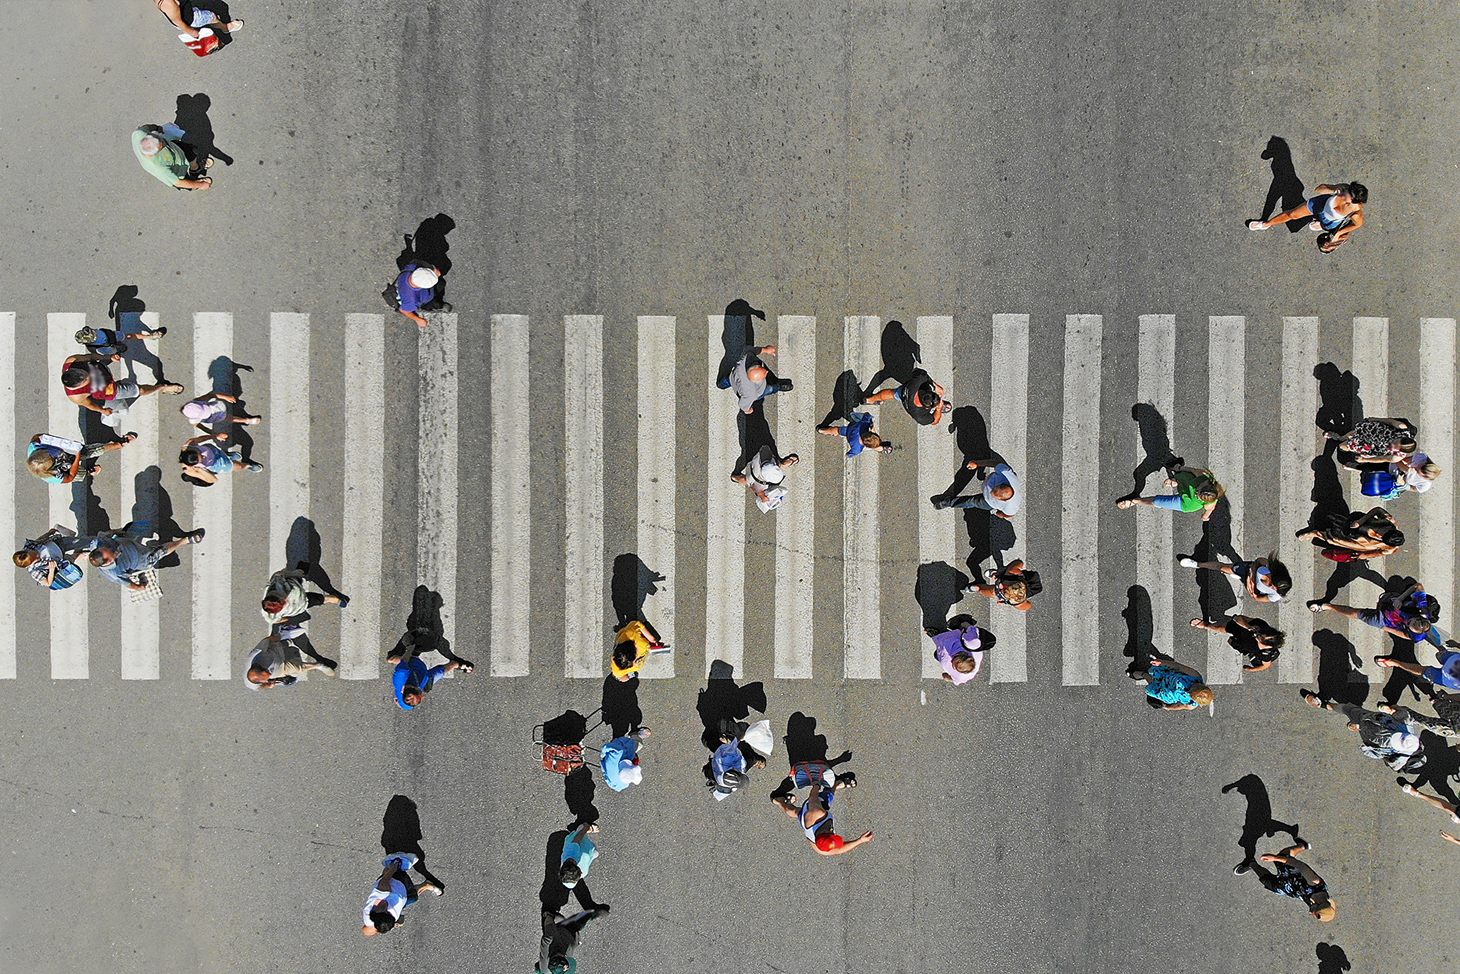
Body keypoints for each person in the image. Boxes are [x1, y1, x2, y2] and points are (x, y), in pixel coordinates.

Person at [1301, 692, 1424, 771]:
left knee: (1349, 710)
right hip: (1373, 721)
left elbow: (1385, 760)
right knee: (1353, 713)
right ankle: (1354, 724)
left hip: (1370, 732)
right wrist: (1390, 710)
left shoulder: (1397, 754)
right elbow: (1401, 713)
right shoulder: (1407, 730)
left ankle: (1323, 705)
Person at [771, 762, 873, 856]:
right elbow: (840, 849)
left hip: (812, 806)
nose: (833, 833)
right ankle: (778, 801)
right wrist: (860, 840)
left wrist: (816, 785)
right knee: (796, 812)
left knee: (827, 795)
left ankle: (836, 784)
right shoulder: (821, 849)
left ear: (824, 832)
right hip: (805, 820)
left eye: (831, 834)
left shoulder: (818, 813)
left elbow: (813, 798)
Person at [61, 351, 182, 424]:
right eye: (87, 380)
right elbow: (90, 405)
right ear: (78, 386)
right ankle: (162, 387)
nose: (91, 376)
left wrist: (108, 357)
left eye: (85, 372)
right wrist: (103, 411)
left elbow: (91, 357)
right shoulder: (76, 396)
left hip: (103, 370)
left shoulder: (72, 361)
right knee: (140, 390)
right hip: (109, 389)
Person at [1247, 181, 1366, 254]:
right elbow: (1318, 189)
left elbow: (1358, 224)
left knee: (1325, 227)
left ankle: (1321, 223)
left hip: (1330, 221)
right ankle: (1266, 224)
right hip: (1321, 204)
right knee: (1292, 214)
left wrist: (1339, 233)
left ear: (1352, 200)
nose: (1346, 190)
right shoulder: (1343, 188)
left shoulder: (1355, 212)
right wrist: (1333, 188)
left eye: (1349, 193)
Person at [1241, 840, 1336, 922]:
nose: (1311, 912)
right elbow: (1300, 865)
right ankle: (1301, 846)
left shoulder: (1317, 902)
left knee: (1267, 882)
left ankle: (1251, 863)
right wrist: (1275, 858)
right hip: (1293, 872)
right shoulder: (1315, 883)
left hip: (1291, 888)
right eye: (1313, 910)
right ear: (1320, 902)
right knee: (1283, 856)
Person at [88, 525, 205, 591]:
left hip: (130, 543)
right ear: (109, 561)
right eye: (110, 552)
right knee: (161, 551)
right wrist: (139, 587)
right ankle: (184, 541)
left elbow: (106, 535)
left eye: (106, 548)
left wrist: (119, 531)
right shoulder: (114, 573)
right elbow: (126, 583)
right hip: (143, 559)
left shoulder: (98, 544)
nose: (111, 548)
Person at [361, 853, 441, 937]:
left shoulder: (381, 894)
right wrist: (385, 925)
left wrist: (393, 867)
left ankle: (394, 863)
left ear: (381, 912)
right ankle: (426, 886)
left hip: (399, 882)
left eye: (388, 913)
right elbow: (369, 931)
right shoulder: (381, 919)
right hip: (401, 898)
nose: (389, 911)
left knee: (390, 873)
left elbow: (385, 879)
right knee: (413, 898)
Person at [1116, 462, 1224, 520]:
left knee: (1158, 501)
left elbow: (1209, 510)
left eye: (1198, 495)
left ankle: (1136, 501)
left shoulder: (1210, 502)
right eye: (1198, 490)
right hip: (1186, 484)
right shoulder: (1203, 477)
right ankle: (1176, 480)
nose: (1196, 493)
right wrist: (1179, 468)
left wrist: (1205, 517)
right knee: (1183, 476)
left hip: (1186, 504)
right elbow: (1192, 470)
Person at [390, 634, 470, 710]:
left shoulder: (401, 678)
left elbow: (404, 660)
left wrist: (411, 647)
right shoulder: (413, 683)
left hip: (414, 663)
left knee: (391, 658)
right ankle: (456, 664)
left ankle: (456, 664)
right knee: (393, 660)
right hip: (420, 670)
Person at [26, 432, 136, 484]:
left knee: (93, 449)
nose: (51, 455)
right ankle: (88, 471)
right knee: (79, 474)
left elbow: (38, 436)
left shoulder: (36, 446)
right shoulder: (53, 477)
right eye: (51, 459)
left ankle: (118, 444)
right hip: (67, 468)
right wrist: (77, 458)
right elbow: (70, 477)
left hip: (68, 451)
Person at [1177, 553, 1291, 603]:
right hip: (1249, 570)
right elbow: (1258, 561)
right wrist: (1251, 576)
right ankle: (1198, 564)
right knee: (1223, 568)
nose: (1270, 587)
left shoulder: (1276, 595)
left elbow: (1259, 598)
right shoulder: (1269, 567)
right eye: (1272, 584)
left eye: (1273, 588)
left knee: (1237, 575)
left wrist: (1252, 591)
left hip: (1249, 583)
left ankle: (1239, 577)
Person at [1296, 508, 1404, 561]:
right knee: (1342, 523)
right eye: (1383, 533)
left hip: (1358, 542)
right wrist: (1362, 520)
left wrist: (1364, 555)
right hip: (1360, 525)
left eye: (1382, 538)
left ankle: (1316, 534)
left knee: (1335, 539)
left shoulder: (1392, 547)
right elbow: (1377, 510)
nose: (1379, 536)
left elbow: (1380, 553)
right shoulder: (1388, 520)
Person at [244, 627, 336, 688]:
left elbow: (268, 640)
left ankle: (286, 637)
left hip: (277, 650)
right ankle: (319, 665)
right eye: (267, 679)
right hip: (281, 669)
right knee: (298, 668)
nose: (269, 674)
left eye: (268, 673)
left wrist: (280, 636)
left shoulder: (259, 652)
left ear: (261, 666)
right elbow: (261, 687)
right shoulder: (253, 684)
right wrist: (269, 684)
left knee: (287, 641)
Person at [131, 124, 214, 191]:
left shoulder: (139, 133)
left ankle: (195, 169)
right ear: (155, 153)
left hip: (177, 149)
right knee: (187, 181)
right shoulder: (158, 168)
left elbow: (147, 127)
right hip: (179, 172)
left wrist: (157, 128)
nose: (164, 144)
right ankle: (196, 183)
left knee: (192, 151)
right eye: (162, 146)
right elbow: (177, 182)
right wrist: (201, 185)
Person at [1189, 616, 1284, 672]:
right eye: (1260, 633)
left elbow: (1266, 665)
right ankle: (1206, 625)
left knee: (1231, 641)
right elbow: (1238, 618)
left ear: (1267, 645)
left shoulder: (1266, 654)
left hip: (1245, 644)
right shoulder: (1260, 625)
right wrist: (1248, 626)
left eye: (1259, 637)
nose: (1257, 634)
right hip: (1242, 632)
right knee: (1224, 627)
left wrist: (1251, 669)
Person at [932, 458, 1021, 517]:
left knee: (971, 502)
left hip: (988, 503)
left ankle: (948, 502)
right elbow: (995, 463)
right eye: (994, 488)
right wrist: (977, 464)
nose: (991, 491)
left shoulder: (1012, 506)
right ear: (1003, 483)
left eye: (994, 494)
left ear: (1002, 500)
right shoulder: (1005, 473)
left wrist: (1001, 514)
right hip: (992, 489)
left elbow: (1010, 514)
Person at [13, 526, 94, 591]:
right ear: (30, 564)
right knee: (71, 559)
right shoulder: (34, 571)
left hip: (59, 544)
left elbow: (38, 540)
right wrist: (51, 570)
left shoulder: (29, 547)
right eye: (35, 559)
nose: (38, 556)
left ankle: (96, 542)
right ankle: (82, 555)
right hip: (60, 562)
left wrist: (49, 533)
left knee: (82, 542)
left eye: (34, 553)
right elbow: (48, 583)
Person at [260, 568, 348, 626]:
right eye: (283, 605)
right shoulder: (270, 616)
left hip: (294, 585)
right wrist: (287, 619)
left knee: (301, 573)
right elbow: (274, 621)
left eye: (282, 600)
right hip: (303, 603)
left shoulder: (277, 584)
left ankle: (303, 570)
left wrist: (293, 573)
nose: (286, 601)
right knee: (318, 599)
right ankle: (333, 599)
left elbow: (278, 574)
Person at [863, 368, 951, 426]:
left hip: (906, 390)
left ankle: (869, 399)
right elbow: (935, 421)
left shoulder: (917, 382)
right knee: (893, 394)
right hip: (908, 404)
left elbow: (917, 371)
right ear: (927, 408)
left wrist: (935, 385)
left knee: (891, 393)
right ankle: (870, 400)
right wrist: (939, 409)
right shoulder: (919, 416)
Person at [536, 905, 609, 974]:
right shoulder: (560, 967)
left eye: (559, 955)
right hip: (571, 934)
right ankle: (592, 914)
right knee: (580, 923)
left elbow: (545, 940)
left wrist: (549, 916)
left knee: (553, 918)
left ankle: (551, 913)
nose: (562, 954)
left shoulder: (545, 962)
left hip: (560, 928)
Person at [719, 345, 791, 413]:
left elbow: (750, 350)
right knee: (770, 389)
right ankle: (778, 386)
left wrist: (766, 349)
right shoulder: (751, 393)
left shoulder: (746, 358)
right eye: (765, 375)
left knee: (725, 381)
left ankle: (721, 384)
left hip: (733, 376)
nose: (767, 371)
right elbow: (743, 404)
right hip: (749, 391)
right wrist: (748, 410)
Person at [1327, 417, 1418, 468]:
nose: (1393, 442)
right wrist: (1374, 419)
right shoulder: (1402, 428)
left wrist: (1365, 460)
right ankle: (1341, 437)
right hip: (1374, 432)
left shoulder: (1397, 457)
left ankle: (1343, 442)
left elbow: (1381, 459)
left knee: (1342, 447)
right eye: (1396, 440)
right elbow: (1389, 421)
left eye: (1395, 445)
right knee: (1353, 433)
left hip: (1371, 446)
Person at [731, 444, 798, 513]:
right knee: (745, 481)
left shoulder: (767, 464)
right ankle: (735, 477)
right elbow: (759, 494)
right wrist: (763, 497)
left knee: (746, 480)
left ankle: (781, 464)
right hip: (752, 467)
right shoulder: (756, 481)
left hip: (758, 461)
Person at [178, 433, 263, 485]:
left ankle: (227, 456)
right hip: (216, 464)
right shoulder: (189, 470)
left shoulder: (190, 444)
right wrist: (200, 470)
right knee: (239, 467)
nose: (204, 456)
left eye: (201, 454)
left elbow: (202, 439)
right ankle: (247, 465)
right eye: (202, 459)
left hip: (213, 451)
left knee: (223, 454)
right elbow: (213, 479)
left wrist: (215, 436)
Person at [962, 560, 1041, 612]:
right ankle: (998, 572)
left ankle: (978, 588)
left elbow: (1028, 606)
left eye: (1004, 591)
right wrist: (1001, 574)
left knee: (990, 591)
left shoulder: (1017, 603)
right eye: (1005, 587)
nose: (1000, 587)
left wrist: (1006, 602)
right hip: (1012, 577)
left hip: (1012, 594)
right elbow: (1019, 562)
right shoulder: (1012, 572)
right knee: (1004, 571)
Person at [1138, 656, 1214, 710]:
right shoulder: (1195, 676)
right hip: (1167, 676)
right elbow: (1179, 667)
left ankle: (1144, 675)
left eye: (1191, 695)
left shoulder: (1192, 704)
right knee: (1151, 670)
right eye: (1192, 690)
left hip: (1165, 692)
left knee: (1151, 684)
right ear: (1200, 685)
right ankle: (1146, 673)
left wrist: (1169, 708)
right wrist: (1161, 663)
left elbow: (1179, 706)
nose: (1189, 692)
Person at [392, 262, 452, 328]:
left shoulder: (410, 269)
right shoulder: (411, 300)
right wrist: (419, 320)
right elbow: (404, 310)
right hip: (427, 301)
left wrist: (433, 271)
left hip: (425, 293)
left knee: (441, 284)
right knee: (434, 304)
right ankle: (439, 306)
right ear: (422, 287)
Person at [928, 617, 984, 684]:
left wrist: (965, 624)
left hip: (958, 635)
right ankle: (935, 633)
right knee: (936, 655)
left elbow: (973, 631)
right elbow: (940, 644)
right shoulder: (946, 662)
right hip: (949, 639)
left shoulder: (975, 648)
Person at [817, 410, 893, 457]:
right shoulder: (858, 449)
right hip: (850, 438)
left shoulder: (864, 424)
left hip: (851, 428)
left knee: (837, 430)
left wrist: (871, 424)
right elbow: (849, 455)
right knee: (838, 431)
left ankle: (822, 430)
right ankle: (880, 448)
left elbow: (867, 415)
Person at [154, 0, 244, 38]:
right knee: (212, 16)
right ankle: (226, 28)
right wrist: (191, 32)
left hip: (187, 11)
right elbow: (177, 21)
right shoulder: (167, 3)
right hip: (191, 18)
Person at [600, 727, 651, 792]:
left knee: (638, 745)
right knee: (633, 747)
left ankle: (635, 735)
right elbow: (609, 782)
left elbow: (606, 747)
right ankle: (636, 736)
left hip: (618, 745)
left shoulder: (618, 752)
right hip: (604, 766)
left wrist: (602, 753)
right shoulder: (623, 785)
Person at [180, 391, 258, 432]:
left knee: (227, 411)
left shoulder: (197, 401)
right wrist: (213, 434)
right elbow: (201, 427)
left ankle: (236, 410)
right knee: (228, 418)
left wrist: (227, 397)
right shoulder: (193, 420)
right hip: (216, 417)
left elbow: (212, 395)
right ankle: (246, 420)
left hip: (216, 406)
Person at [75, 321, 165, 356]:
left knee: (128, 336)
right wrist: (114, 354)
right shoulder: (95, 348)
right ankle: (119, 349)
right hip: (108, 345)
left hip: (111, 335)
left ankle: (151, 337)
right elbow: (105, 352)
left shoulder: (88, 330)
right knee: (118, 349)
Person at [559, 822, 600, 888]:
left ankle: (583, 828)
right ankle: (584, 829)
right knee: (595, 853)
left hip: (582, 844)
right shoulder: (566, 863)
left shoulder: (572, 851)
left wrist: (585, 828)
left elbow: (578, 838)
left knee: (595, 852)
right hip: (586, 851)